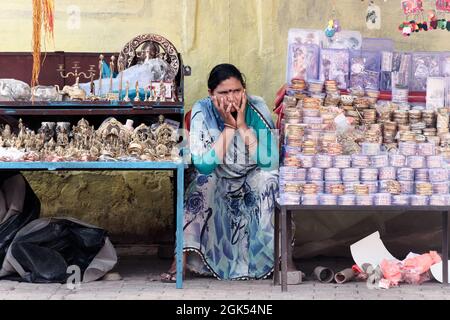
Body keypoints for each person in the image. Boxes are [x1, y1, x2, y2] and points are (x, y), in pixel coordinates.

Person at [160, 64, 280, 282]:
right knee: (203, 182)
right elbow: (204, 165)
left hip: (251, 177)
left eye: (236, 91)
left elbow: (270, 162)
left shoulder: (257, 107)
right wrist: (229, 128)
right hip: (220, 178)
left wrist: (242, 126)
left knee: (270, 180)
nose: (231, 98)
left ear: (244, 90)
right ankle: (181, 261)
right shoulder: (202, 110)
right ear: (211, 94)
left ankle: (277, 260)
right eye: (223, 93)